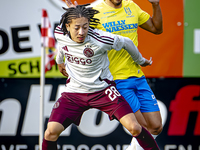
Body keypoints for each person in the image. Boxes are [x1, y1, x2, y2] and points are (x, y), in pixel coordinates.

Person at [42, 4, 160, 150]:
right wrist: (60, 61)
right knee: (50, 133)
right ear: (67, 26)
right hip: (74, 93)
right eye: (77, 27)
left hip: (103, 91)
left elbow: (127, 42)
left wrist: (141, 60)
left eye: (85, 27)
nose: (81, 32)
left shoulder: (101, 39)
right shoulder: (60, 31)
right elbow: (62, 44)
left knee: (135, 128)